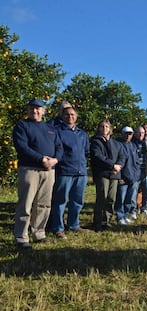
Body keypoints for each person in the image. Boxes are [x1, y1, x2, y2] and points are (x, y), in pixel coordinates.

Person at [12, 98, 63, 249]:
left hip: (49, 171)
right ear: (28, 110)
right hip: (30, 169)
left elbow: (59, 147)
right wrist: (41, 159)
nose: (35, 111)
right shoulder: (22, 126)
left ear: (43, 111)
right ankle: (21, 237)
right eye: (32, 108)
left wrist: (55, 160)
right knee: (26, 204)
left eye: (38, 108)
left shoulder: (50, 128)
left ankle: (39, 233)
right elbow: (22, 146)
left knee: (44, 204)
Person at [50, 107, 89, 239]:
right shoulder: (57, 131)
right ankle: (58, 228)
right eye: (67, 114)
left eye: (72, 114)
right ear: (62, 116)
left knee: (77, 201)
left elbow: (86, 152)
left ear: (76, 116)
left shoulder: (82, 134)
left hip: (81, 172)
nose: (70, 117)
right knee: (60, 201)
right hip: (65, 171)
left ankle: (73, 225)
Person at [90, 119, 126, 231]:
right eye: (102, 126)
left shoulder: (116, 143)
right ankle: (97, 223)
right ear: (99, 128)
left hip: (115, 175)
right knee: (102, 198)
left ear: (110, 129)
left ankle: (107, 221)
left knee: (111, 199)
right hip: (103, 174)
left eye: (107, 126)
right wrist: (112, 165)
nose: (104, 128)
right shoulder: (95, 142)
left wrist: (119, 166)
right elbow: (98, 156)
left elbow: (122, 156)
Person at [114, 126, 140, 225]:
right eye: (126, 133)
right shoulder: (117, 144)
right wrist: (119, 177)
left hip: (133, 178)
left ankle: (125, 215)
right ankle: (120, 217)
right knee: (121, 198)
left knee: (129, 199)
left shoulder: (133, 145)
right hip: (123, 178)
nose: (128, 135)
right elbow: (118, 162)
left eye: (130, 133)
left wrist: (136, 176)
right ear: (122, 133)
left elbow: (136, 162)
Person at [129, 126, 147, 218]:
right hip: (135, 173)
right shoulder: (131, 144)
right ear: (135, 133)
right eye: (138, 132)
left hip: (145, 172)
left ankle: (144, 209)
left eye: (142, 133)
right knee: (133, 193)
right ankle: (133, 211)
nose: (141, 134)